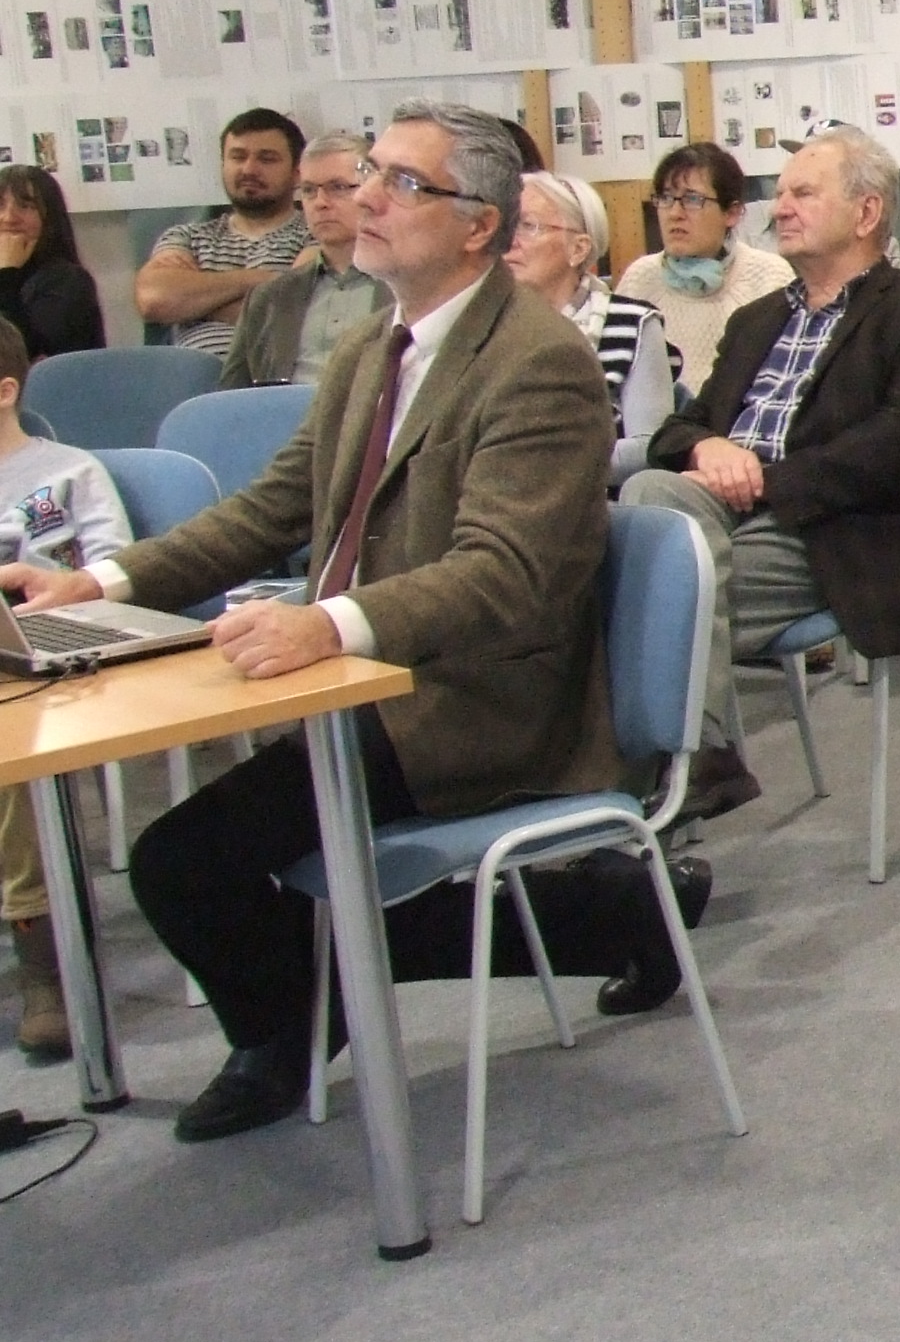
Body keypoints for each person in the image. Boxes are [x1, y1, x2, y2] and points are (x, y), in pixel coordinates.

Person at [4, 102, 705, 1144]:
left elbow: (505, 574)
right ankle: (600, 918)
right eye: (370, 172)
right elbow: (269, 510)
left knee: (183, 866)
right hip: (370, 681)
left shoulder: (537, 362)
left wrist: (331, 623)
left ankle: (287, 1033)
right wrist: (101, 581)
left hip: (474, 697)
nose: (364, 198)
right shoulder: (377, 347)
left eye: (402, 184)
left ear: (477, 224)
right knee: (239, 864)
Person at [621, 128, 900, 822]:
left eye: (803, 193)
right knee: (648, 496)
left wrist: (764, 480)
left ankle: (646, 798)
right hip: (727, 515)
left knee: (645, 600)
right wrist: (708, 449)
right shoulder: (757, 320)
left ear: (867, 212)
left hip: (846, 533)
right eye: (781, 193)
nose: (780, 208)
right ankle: (695, 764)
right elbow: (678, 428)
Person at [0, 321, 127, 1061]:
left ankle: (41, 955)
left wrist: (60, 596)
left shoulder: (70, 473)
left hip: (52, 656)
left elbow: (115, 571)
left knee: (13, 742)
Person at [509, 168, 680, 462]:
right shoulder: (481, 324)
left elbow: (650, 446)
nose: (510, 241)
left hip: (600, 489)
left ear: (578, 249)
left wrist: (541, 464)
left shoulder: (632, 323)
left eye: (528, 226)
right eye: (507, 226)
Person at [615, 142, 792, 396]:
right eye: (666, 198)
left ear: (732, 213)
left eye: (692, 199)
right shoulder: (640, 278)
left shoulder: (769, 276)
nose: (674, 213)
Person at [134, 107, 309, 361]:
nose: (249, 169)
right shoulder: (188, 236)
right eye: (238, 157)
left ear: (297, 173)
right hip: (192, 380)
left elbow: (297, 313)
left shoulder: (316, 233)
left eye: (267, 159)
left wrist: (194, 303)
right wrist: (263, 279)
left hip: (275, 377)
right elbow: (156, 299)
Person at [222, 130, 387, 386]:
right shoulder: (269, 297)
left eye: (338, 187)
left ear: (373, 191)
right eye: (309, 190)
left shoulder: (415, 285)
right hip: (286, 411)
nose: (320, 202)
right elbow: (232, 395)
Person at [0, 164, 105, 363]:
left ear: (49, 219)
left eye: (26, 206)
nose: (9, 218)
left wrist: (7, 274)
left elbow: (22, 357)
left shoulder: (69, 281)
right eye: (0, 205)